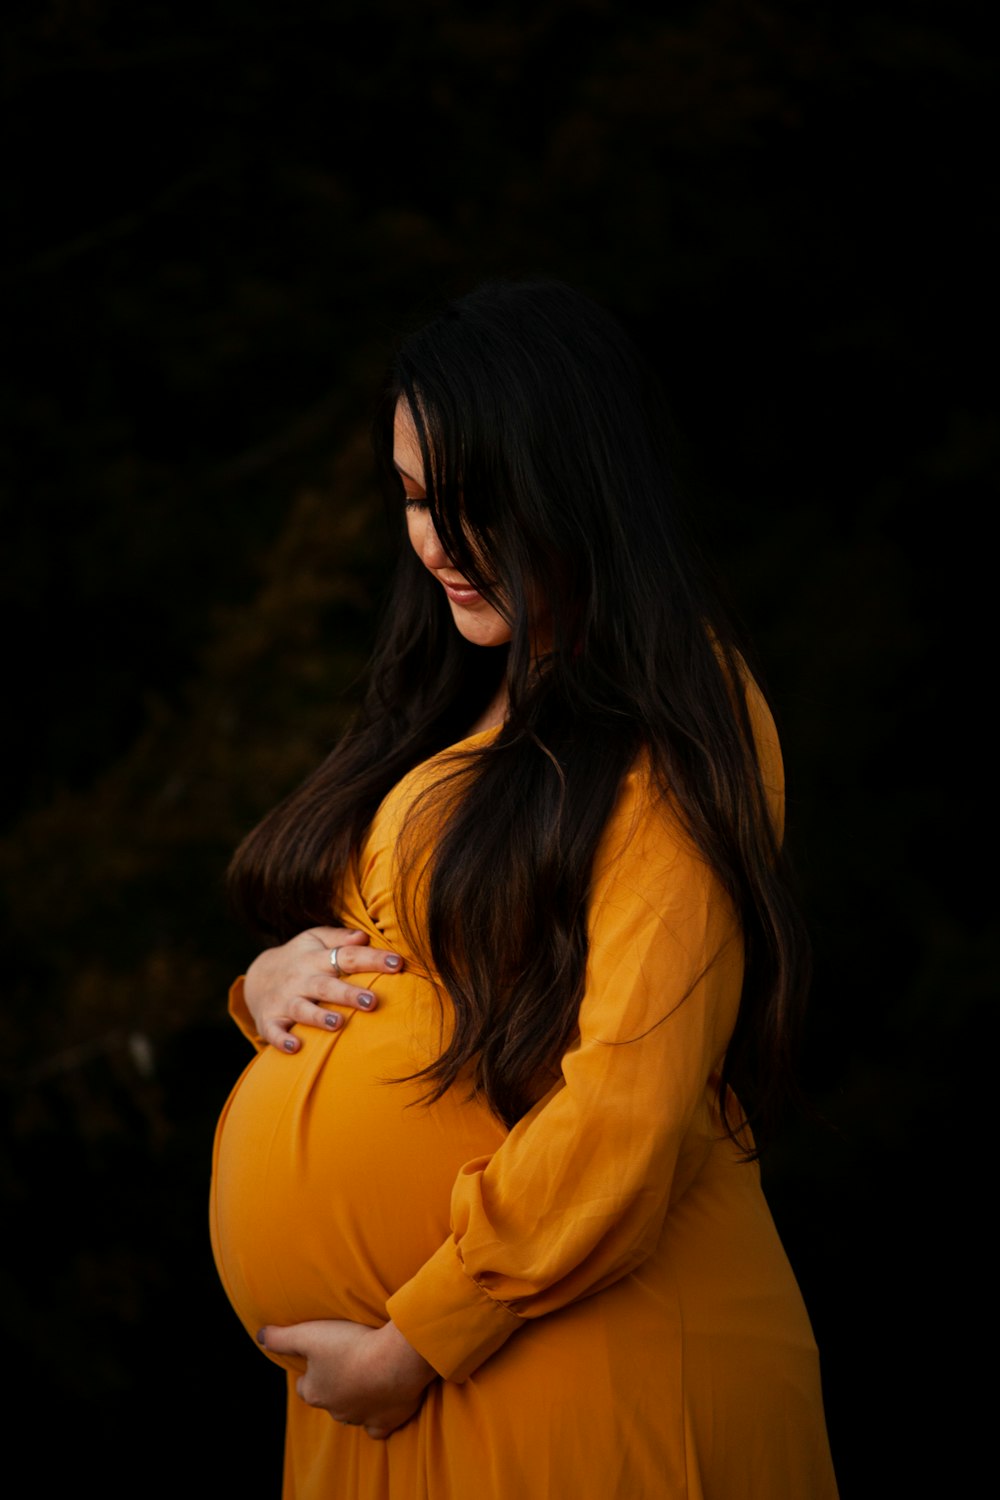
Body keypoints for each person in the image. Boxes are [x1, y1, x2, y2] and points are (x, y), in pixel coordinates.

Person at [210, 279, 839, 1498]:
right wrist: (266, 982)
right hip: (394, 1390)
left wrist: (419, 1337)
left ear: (574, 483)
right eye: (410, 499)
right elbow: (413, 964)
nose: (437, 542)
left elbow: (631, 1101)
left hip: (574, 1354)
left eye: (473, 500)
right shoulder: (454, 705)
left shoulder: (672, 715)